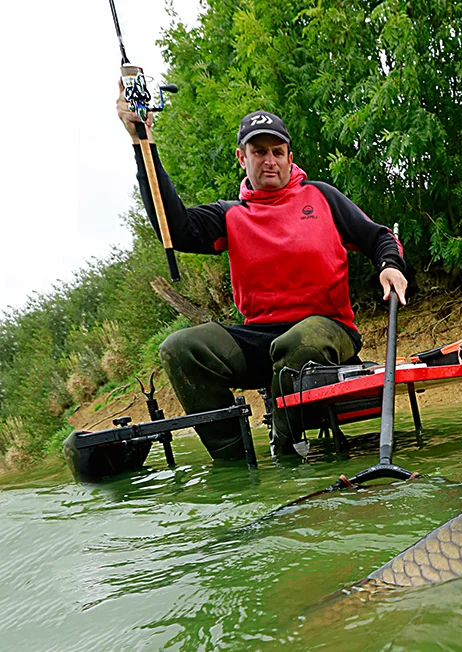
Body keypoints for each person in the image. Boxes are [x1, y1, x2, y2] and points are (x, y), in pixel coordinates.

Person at [117, 87, 408, 460]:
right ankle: (235, 464)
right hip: (260, 340)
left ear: (289, 157)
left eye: (277, 152)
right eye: (259, 152)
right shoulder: (230, 215)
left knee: (299, 342)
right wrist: (144, 143)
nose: (269, 161)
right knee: (180, 347)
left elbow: (380, 237)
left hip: (328, 330)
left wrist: (390, 266)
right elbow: (171, 227)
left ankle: (285, 453)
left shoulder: (322, 197)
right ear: (242, 157)